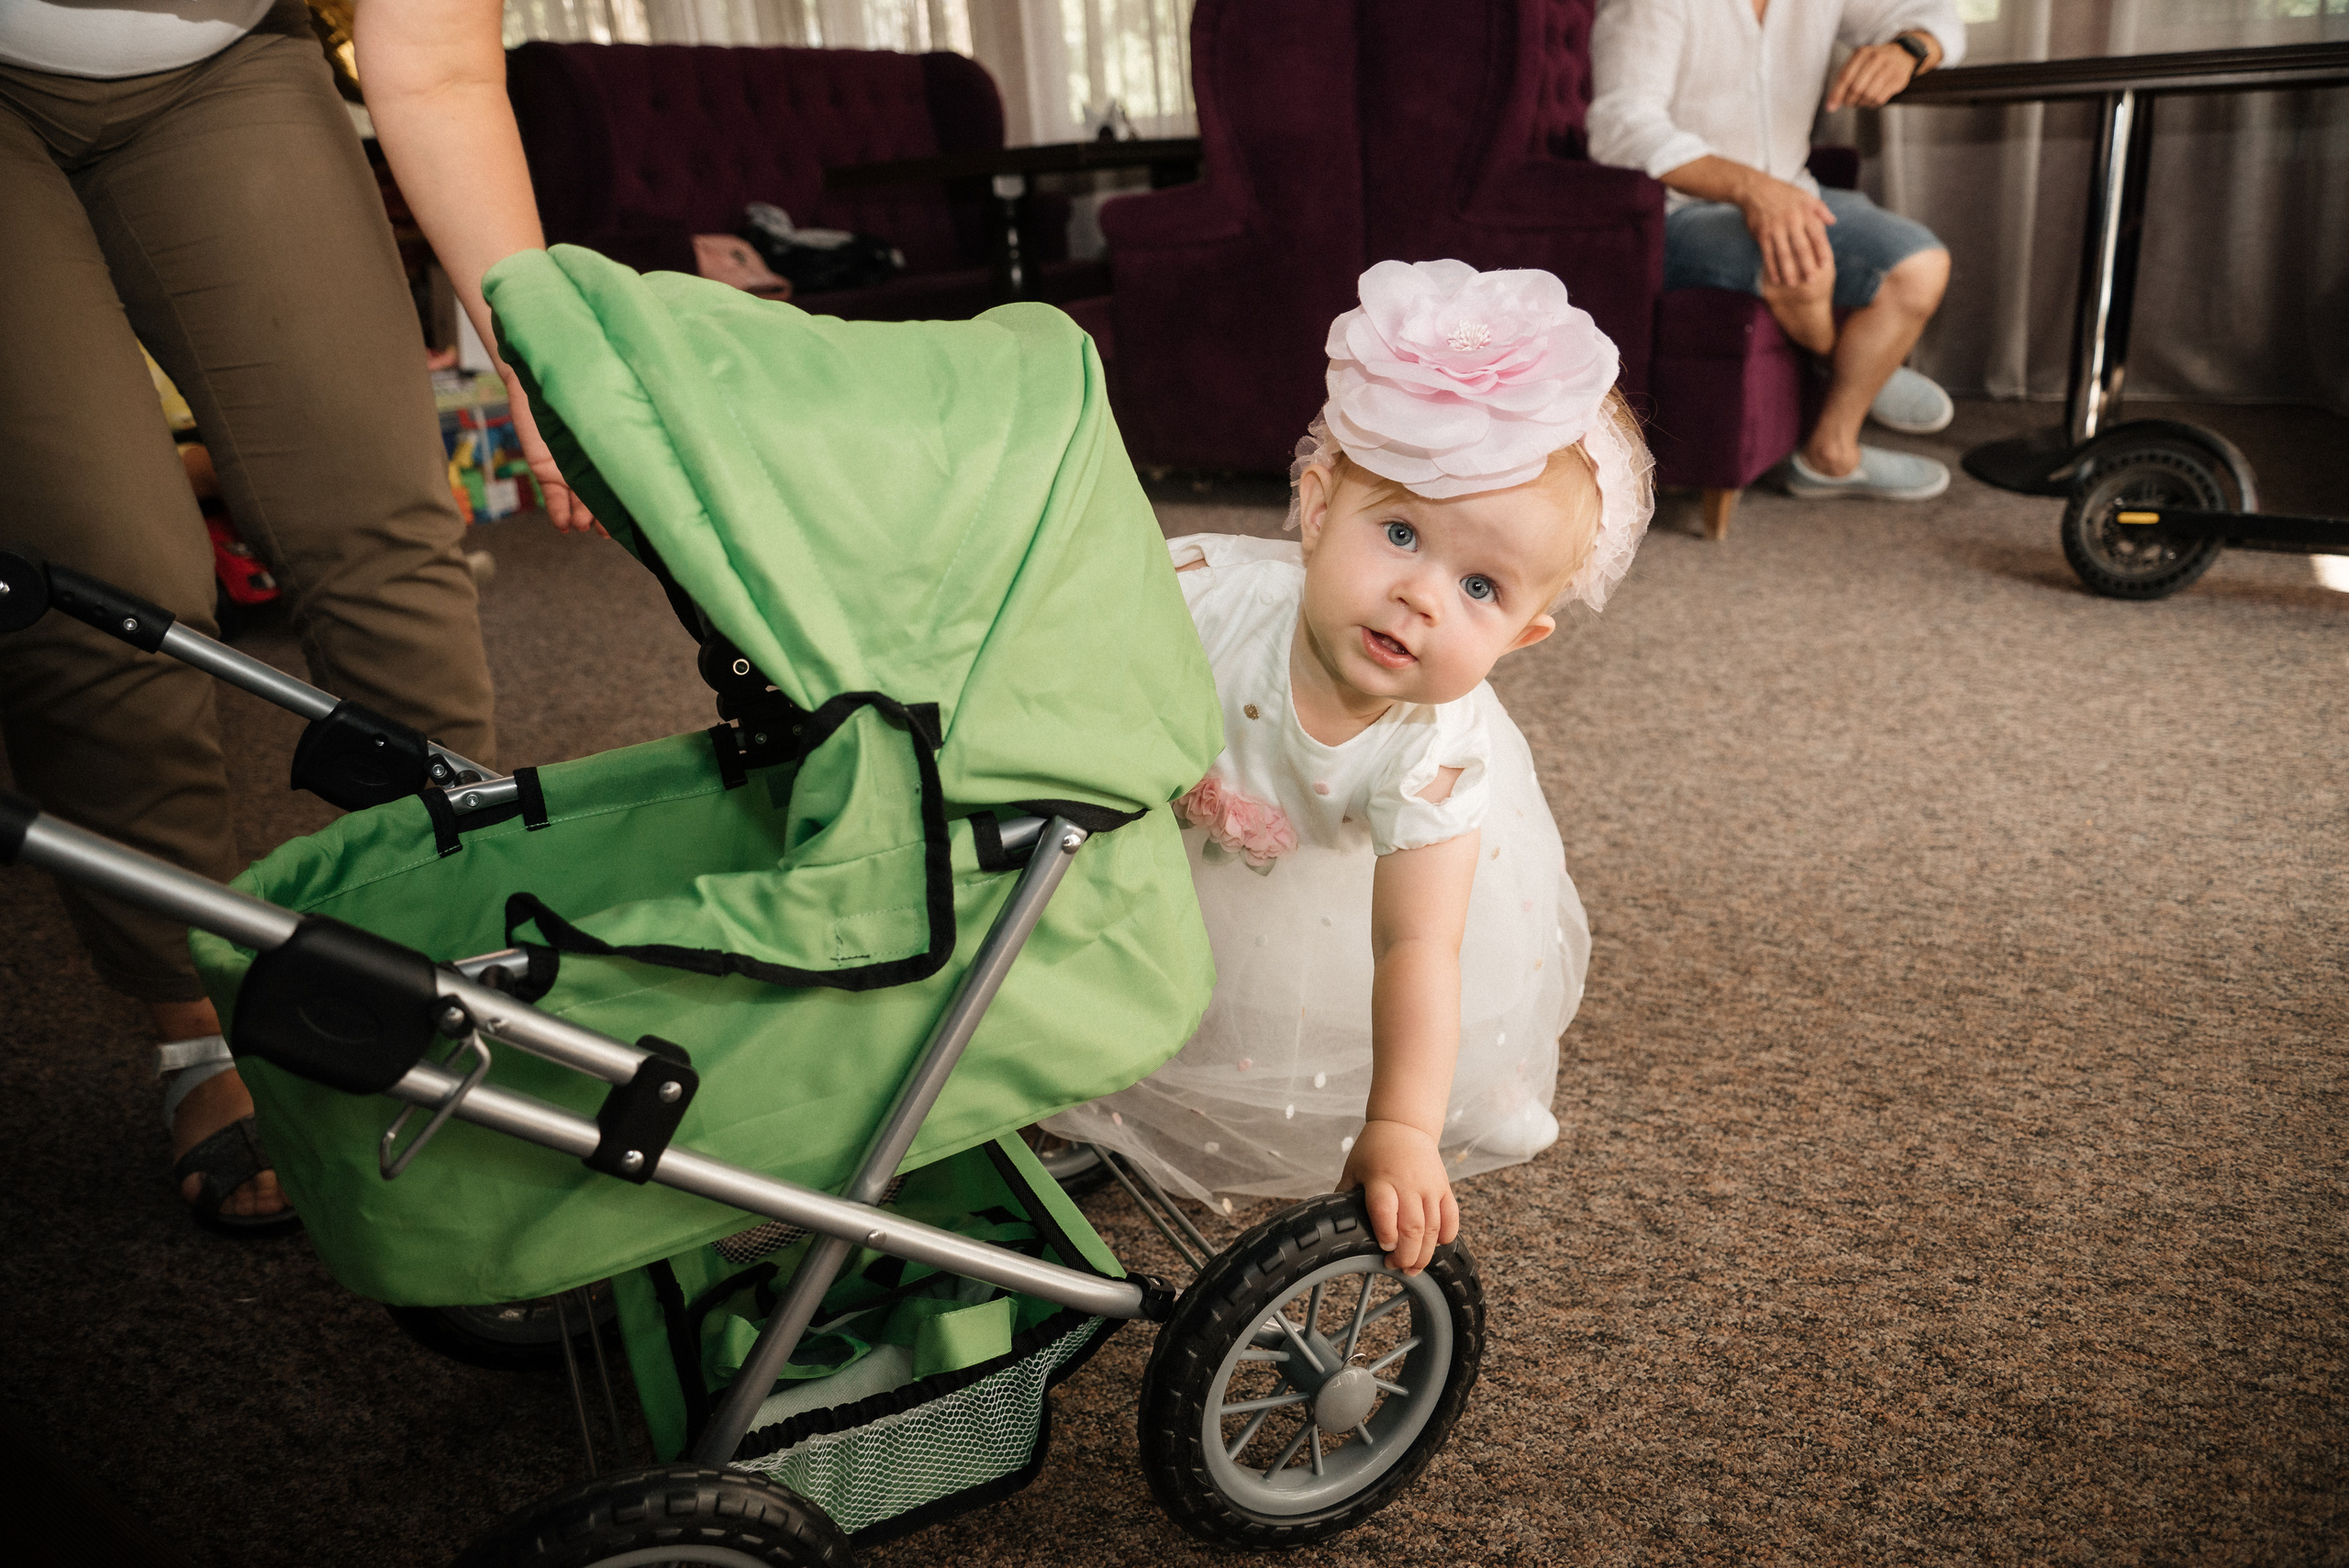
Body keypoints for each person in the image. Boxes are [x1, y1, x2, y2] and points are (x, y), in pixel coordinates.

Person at [0, 0, 596, 1234]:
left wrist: (538, 358)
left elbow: (434, 71)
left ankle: (447, 968)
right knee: (100, 575)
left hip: (219, 75)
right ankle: (196, 1031)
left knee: (380, 522)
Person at [1045, 260, 1647, 1273]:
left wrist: (1404, 1127)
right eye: (1401, 532)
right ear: (1317, 507)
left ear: (1523, 637)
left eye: (1480, 586)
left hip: (1343, 864)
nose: (1421, 595)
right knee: (1090, 939)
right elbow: (1061, 661)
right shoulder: (1201, 597)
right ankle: (1077, 1089)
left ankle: (1476, 1089)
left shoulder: (1437, 753)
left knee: (1387, 999)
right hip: (1160, 825)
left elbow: (1416, 942)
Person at [1587, 0, 1967, 501]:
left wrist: (1909, 49)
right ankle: (1849, 365)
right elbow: (1621, 128)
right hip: (1679, 211)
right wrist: (1750, 189)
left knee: (1921, 268)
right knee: (1803, 267)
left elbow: (1938, 15)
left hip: (1798, 192)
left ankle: (1828, 455)